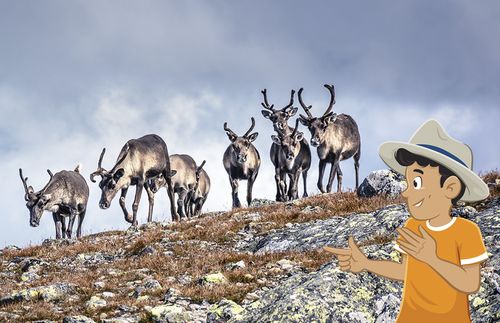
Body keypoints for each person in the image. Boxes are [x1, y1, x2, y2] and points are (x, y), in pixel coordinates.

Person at [324, 119, 489, 322]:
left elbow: (470, 284)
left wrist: (432, 258)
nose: (407, 191)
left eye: (417, 183)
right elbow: (406, 272)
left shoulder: (466, 231)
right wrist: (366, 263)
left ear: (450, 188)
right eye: (408, 182)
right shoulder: (413, 226)